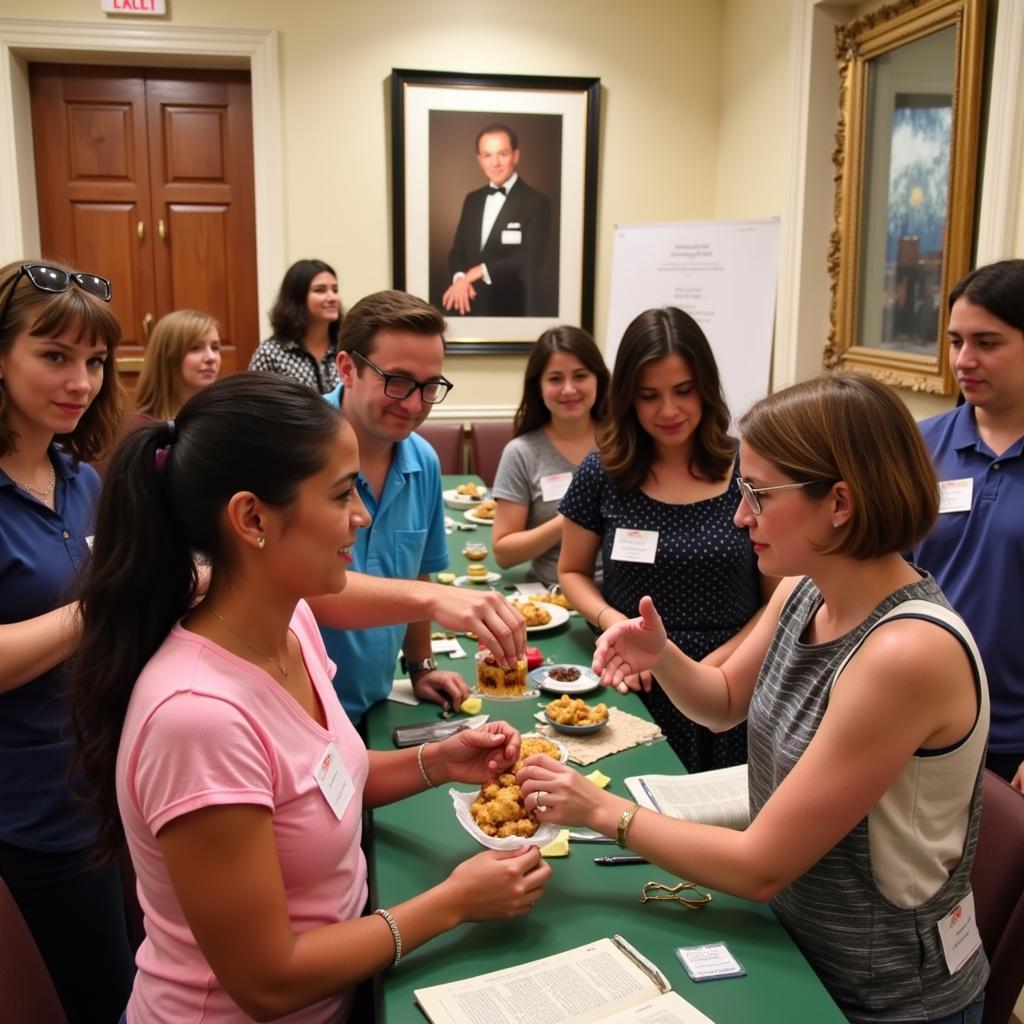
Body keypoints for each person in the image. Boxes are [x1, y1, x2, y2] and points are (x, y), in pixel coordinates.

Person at [69, 374, 552, 1024]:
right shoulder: (197, 719)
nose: (362, 514)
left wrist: (441, 760)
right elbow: (267, 981)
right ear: (252, 519)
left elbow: (319, 785)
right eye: (339, 493)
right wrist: (454, 903)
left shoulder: (288, 621)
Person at [521, 372, 989, 1024]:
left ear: (841, 504)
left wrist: (602, 812)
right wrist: (664, 657)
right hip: (796, 946)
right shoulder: (809, 587)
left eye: (759, 494)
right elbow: (723, 700)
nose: (742, 516)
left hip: (875, 997)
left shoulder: (905, 654)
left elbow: (761, 865)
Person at [0, 259, 135, 1022]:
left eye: (94, 361)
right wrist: (111, 604)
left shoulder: (79, 476)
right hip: (33, 815)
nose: (80, 381)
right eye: (55, 356)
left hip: (101, 792)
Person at [557, 307, 770, 772]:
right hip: (632, 681)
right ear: (627, 398)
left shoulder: (749, 467)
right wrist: (619, 630)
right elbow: (571, 571)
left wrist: (700, 667)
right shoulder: (602, 472)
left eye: (684, 391)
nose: (669, 411)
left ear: (706, 388)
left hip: (731, 678)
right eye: (649, 396)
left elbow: (778, 601)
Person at [318, 290, 474, 723]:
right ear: (347, 368)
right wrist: (431, 599)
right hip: (304, 711)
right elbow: (309, 592)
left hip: (376, 700)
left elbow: (417, 568)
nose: (414, 404)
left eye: (430, 386)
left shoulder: (422, 460)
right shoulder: (299, 450)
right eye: (399, 381)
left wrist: (421, 664)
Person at [911, 259, 1024, 792]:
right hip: (913, 721)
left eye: (987, 342)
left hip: (1012, 742)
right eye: (956, 341)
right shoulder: (916, 447)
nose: (963, 360)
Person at [492, 325, 609, 587]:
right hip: (553, 599)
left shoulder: (628, 443)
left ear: (598, 379)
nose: (569, 389)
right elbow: (504, 553)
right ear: (539, 387)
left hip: (627, 599)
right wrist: (572, 516)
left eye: (580, 376)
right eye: (555, 379)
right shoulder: (521, 453)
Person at [441, 124, 553, 317]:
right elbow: (457, 250)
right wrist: (460, 280)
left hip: (514, 308)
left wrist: (478, 271)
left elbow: (530, 259)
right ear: (479, 160)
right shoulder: (472, 199)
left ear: (516, 156)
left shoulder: (537, 201)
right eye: (487, 155)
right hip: (469, 303)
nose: (495, 163)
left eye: (502, 154)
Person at [249, 259, 341, 393]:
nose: (332, 297)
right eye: (320, 290)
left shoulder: (346, 348)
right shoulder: (271, 353)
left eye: (335, 290)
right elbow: (252, 403)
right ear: (297, 298)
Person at [133, 309, 221, 424]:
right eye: (195, 348)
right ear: (167, 356)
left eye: (215, 348)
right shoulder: (140, 427)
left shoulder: (224, 417)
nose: (211, 358)